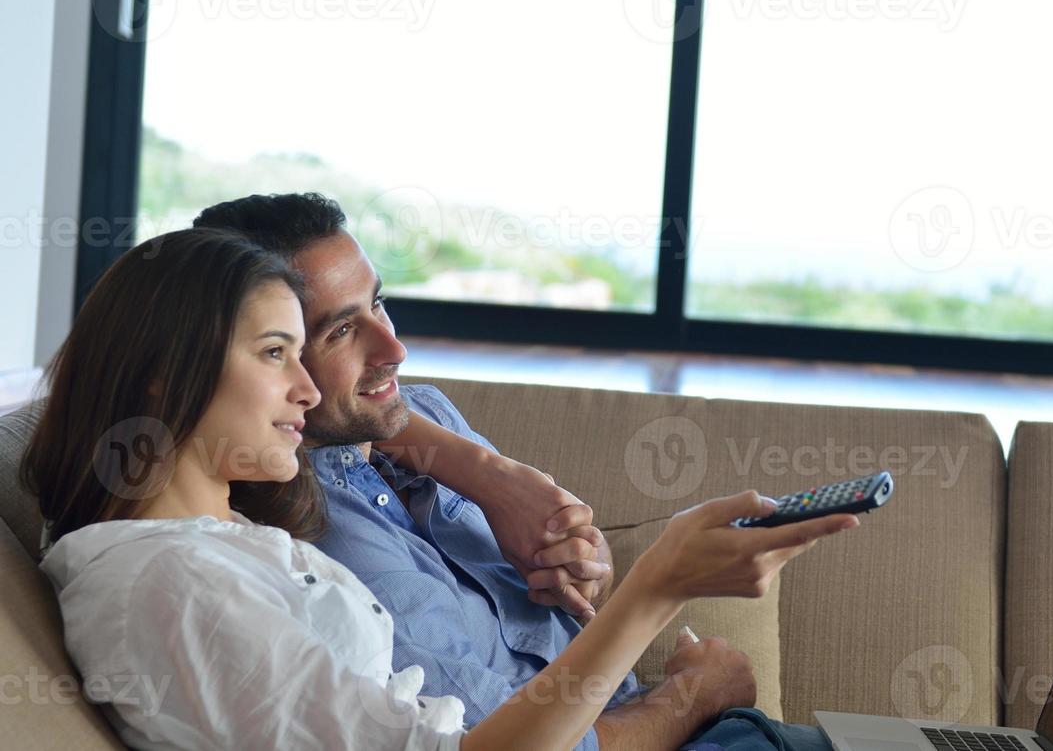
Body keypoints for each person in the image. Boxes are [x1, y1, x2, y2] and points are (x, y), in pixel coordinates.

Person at [23, 228, 857, 750]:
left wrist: (476, 468)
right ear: (169, 377)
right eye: (281, 353)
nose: (307, 392)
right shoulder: (175, 585)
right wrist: (660, 586)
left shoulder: (226, 546)